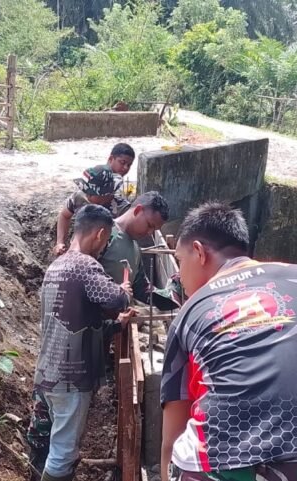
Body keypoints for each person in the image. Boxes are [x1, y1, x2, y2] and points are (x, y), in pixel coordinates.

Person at [160, 203, 297, 481]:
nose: (180, 276)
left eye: (180, 261)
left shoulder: (189, 312)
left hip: (210, 466)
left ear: (198, 252)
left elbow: (172, 437)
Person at [27, 204, 133, 481]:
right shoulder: (85, 266)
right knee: (62, 452)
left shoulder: (56, 266)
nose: (104, 246)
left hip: (49, 373)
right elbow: (114, 300)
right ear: (100, 234)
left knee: (59, 444)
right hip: (70, 378)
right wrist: (123, 291)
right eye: (107, 239)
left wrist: (115, 325)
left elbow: (77, 324)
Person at [99, 191, 182, 310]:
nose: (149, 233)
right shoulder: (105, 234)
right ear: (138, 210)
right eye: (149, 225)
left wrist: (177, 290)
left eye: (153, 230)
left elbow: (143, 290)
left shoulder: (135, 248)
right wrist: (115, 292)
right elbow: (81, 278)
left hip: (114, 325)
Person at [52, 143, 137, 256]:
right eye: (122, 162)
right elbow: (64, 215)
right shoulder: (79, 198)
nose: (88, 197)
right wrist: (60, 242)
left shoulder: (121, 208)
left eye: (92, 195)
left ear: (107, 194)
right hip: (77, 255)